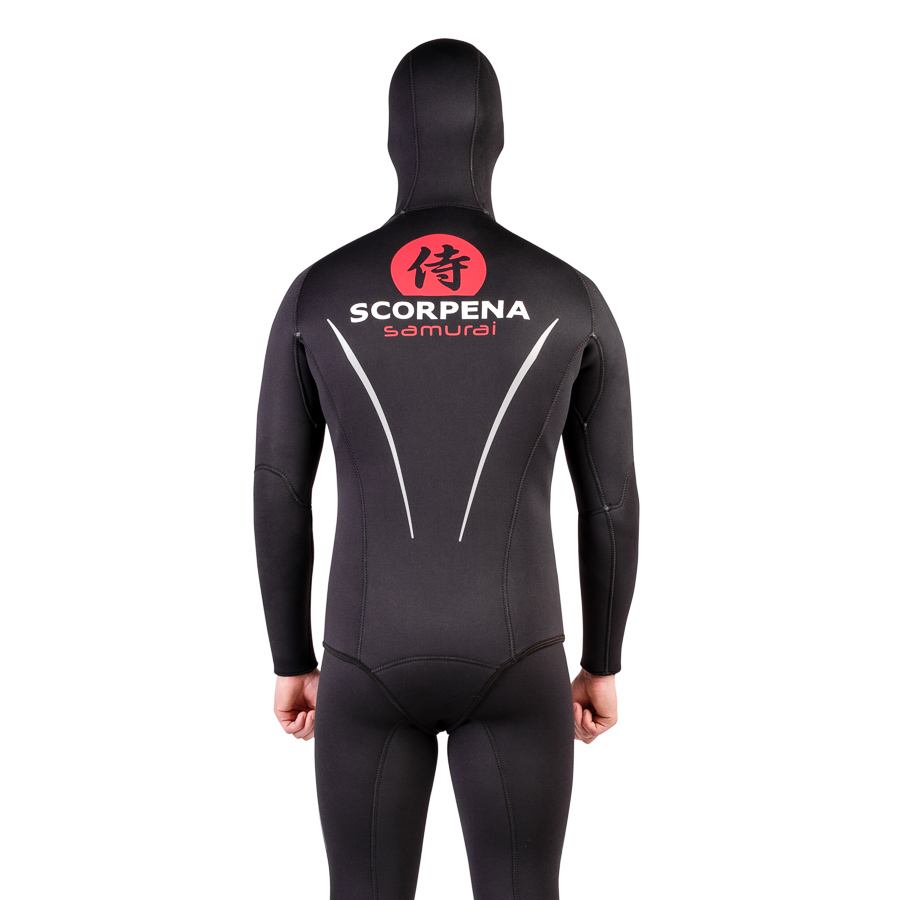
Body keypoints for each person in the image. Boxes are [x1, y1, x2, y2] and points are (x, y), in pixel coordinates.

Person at [253, 37, 639, 900]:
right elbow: (610, 500)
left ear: (393, 138)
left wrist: (291, 657)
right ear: (496, 136)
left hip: (366, 651)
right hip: (517, 650)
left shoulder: (319, 293)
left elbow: (279, 486)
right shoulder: (568, 295)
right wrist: (603, 661)